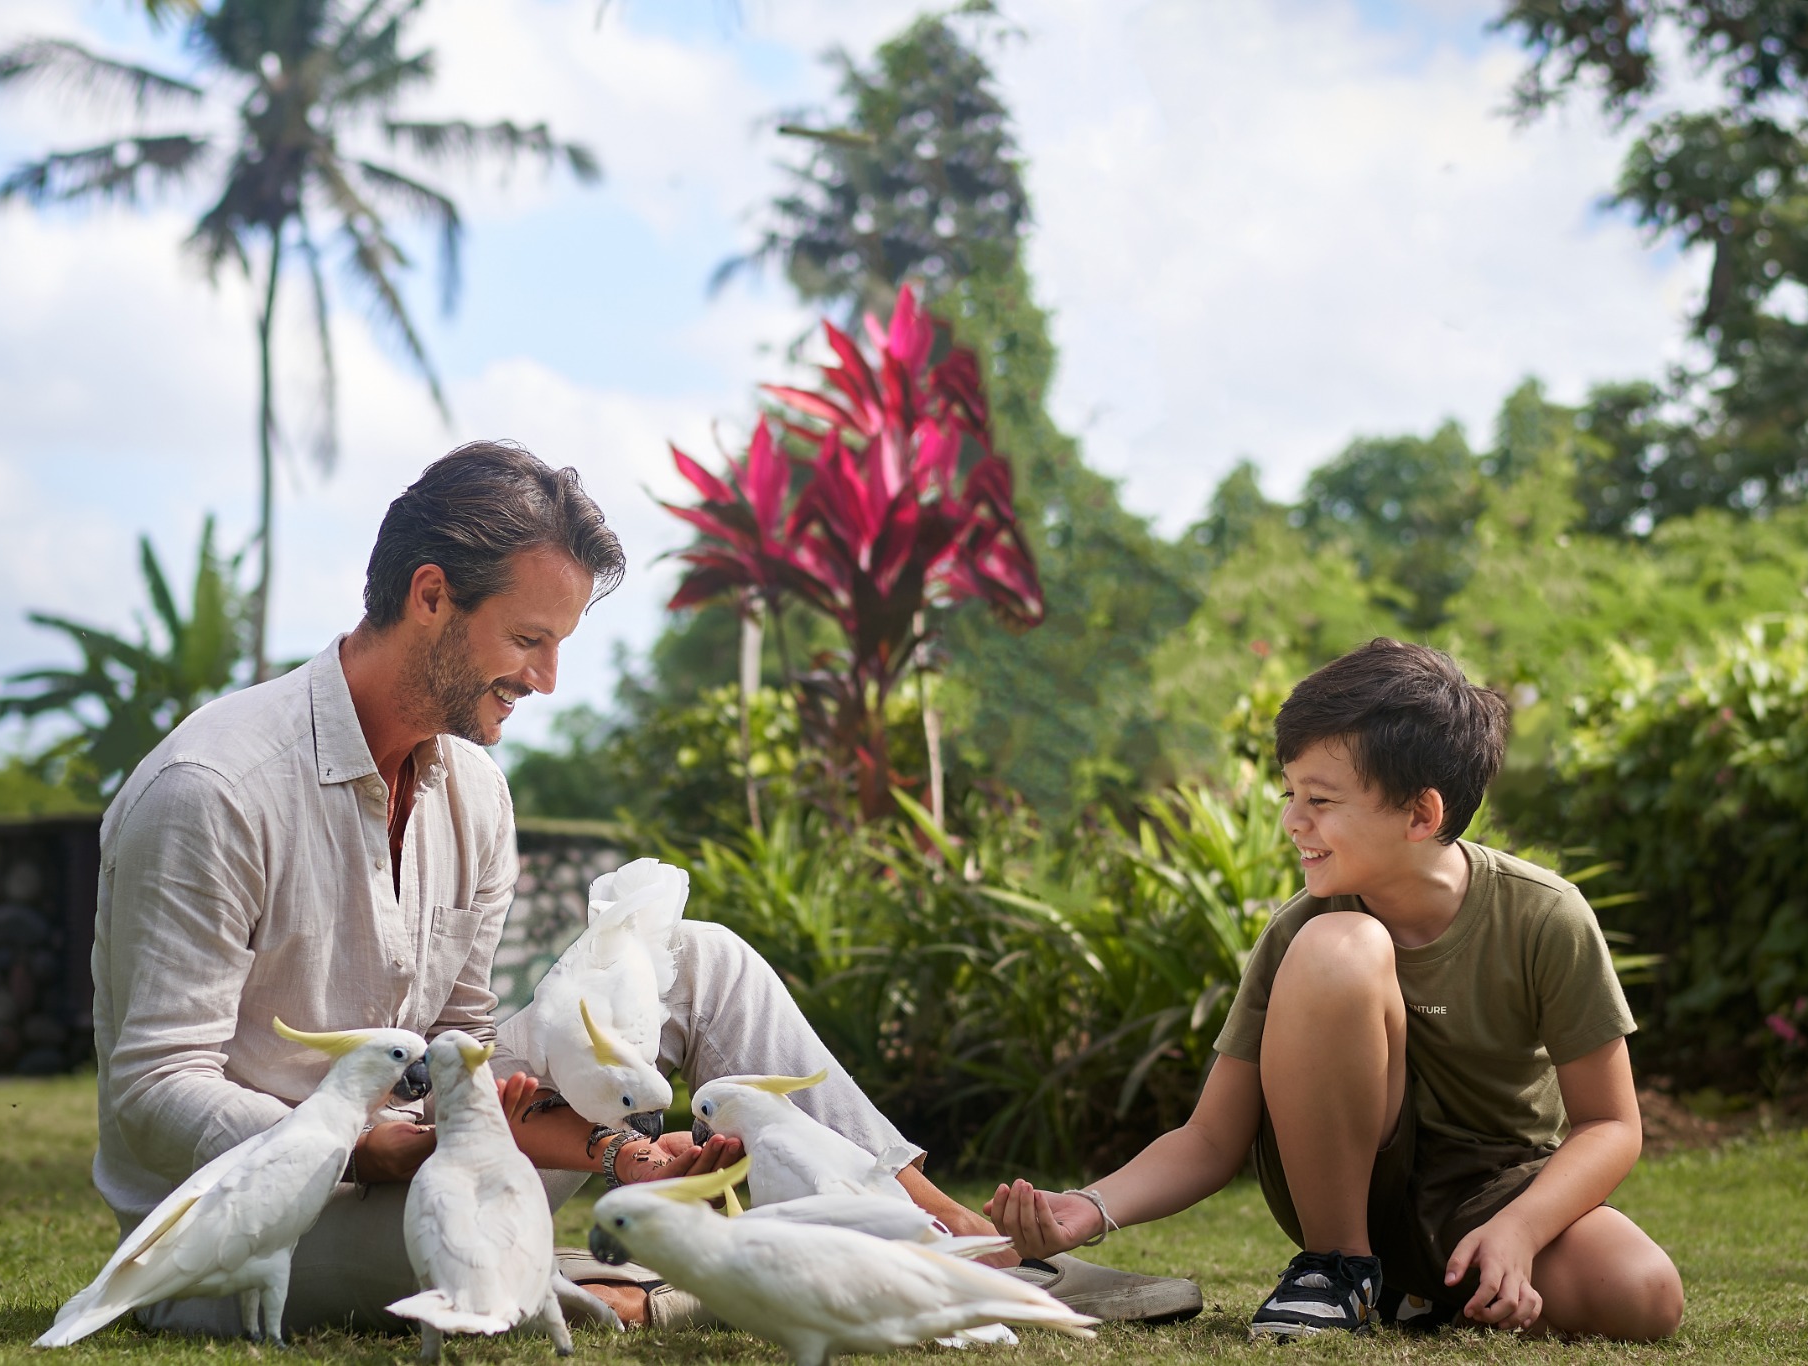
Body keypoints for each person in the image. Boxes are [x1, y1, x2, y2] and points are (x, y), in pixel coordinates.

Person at [90, 440, 1199, 1335]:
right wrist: (363, 1142)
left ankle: (967, 1245)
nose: (547, 678)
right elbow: (153, 1089)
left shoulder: (471, 790)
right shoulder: (216, 787)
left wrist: (618, 1149)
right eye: (528, 638)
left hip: (422, 1167)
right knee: (488, 1205)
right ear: (430, 595)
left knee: (697, 957)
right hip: (261, 1225)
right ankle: (711, 1280)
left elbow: (464, 1060)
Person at [985, 638, 1685, 1341]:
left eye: (1320, 799)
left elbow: (1610, 1125)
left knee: (1643, 1292)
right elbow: (1210, 1138)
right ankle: (1339, 1272)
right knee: (1338, 948)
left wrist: (1520, 1229)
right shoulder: (1307, 931)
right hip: (1354, 1199)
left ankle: (1428, 1294)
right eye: (1291, 794)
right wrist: (1089, 1207)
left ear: (1421, 815)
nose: (1293, 820)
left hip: (1494, 1196)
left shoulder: (1543, 915)